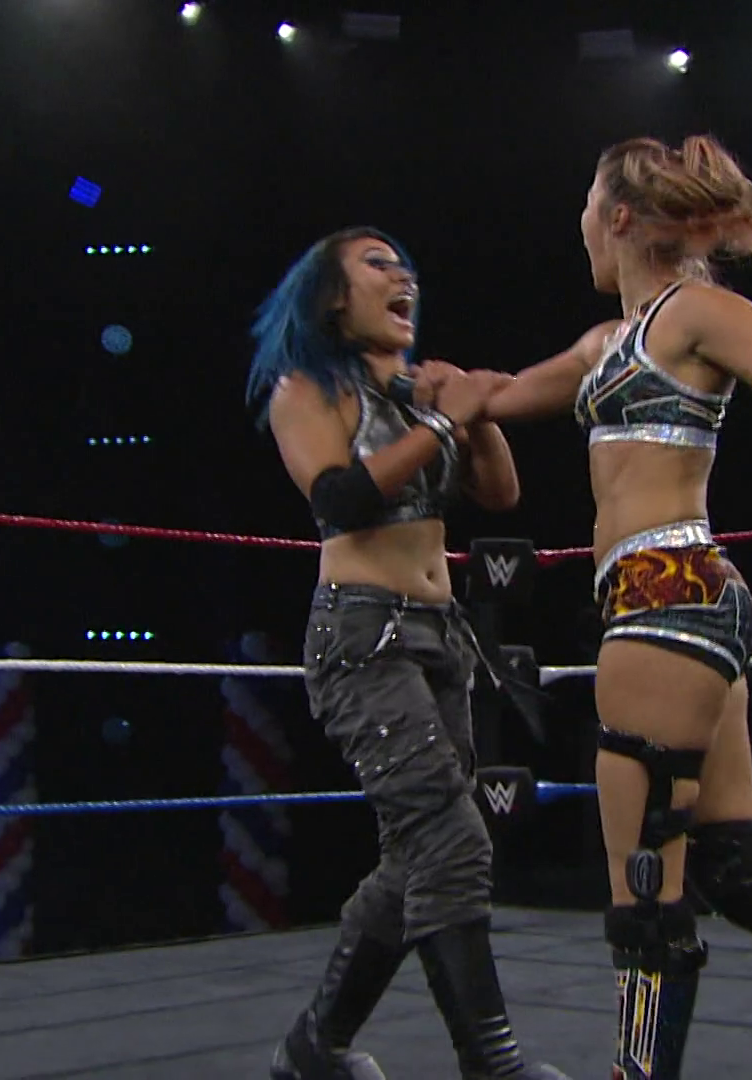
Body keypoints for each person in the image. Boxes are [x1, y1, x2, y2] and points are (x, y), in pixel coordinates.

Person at [421, 137, 752, 1079]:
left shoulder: (698, 312)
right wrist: (432, 389)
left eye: (589, 205)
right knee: (734, 858)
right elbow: (502, 395)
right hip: (681, 611)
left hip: (666, 600)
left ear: (619, 217)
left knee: (642, 888)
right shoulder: (602, 346)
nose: (580, 223)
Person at [248, 226, 569, 1080]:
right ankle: (491, 1064)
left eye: (405, 266)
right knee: (453, 841)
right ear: (332, 299)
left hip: (439, 634)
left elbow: (500, 493)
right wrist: (444, 418)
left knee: (418, 852)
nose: (403, 276)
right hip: (363, 638)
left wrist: (474, 411)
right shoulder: (306, 390)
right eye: (376, 264)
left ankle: (313, 1048)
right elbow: (342, 500)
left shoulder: (421, 392)